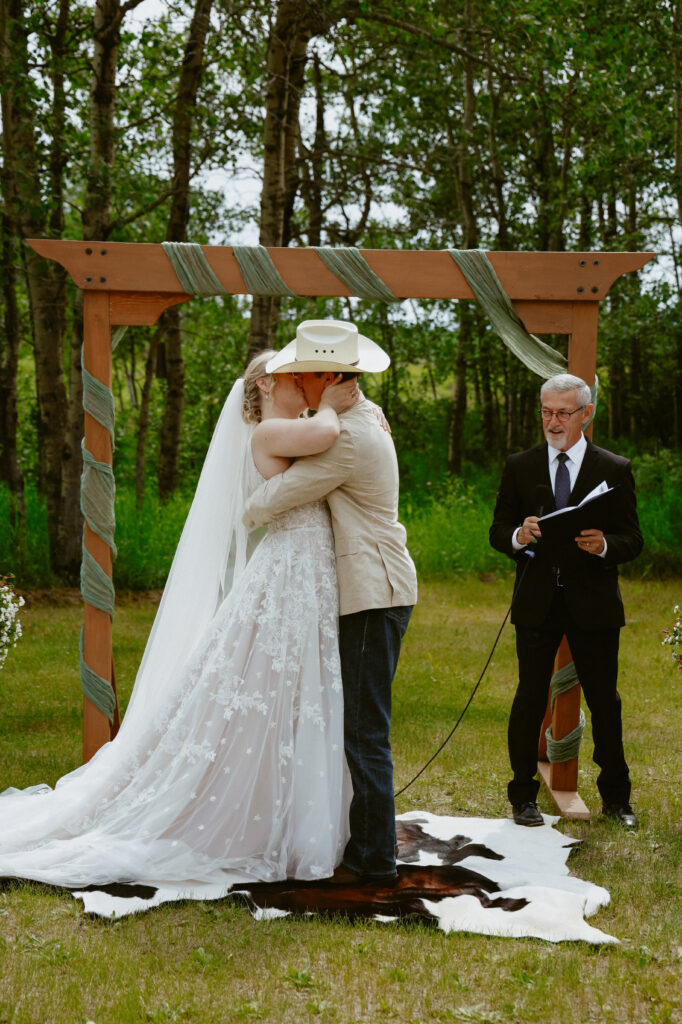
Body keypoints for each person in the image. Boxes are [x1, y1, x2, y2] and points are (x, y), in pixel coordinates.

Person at [0, 348, 361, 893]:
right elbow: (329, 432)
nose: (303, 381)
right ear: (265, 385)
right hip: (290, 570)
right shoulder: (272, 432)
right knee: (264, 690)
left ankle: (282, 809)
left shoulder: (292, 429)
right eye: (291, 375)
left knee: (290, 693)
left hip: (307, 572)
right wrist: (337, 401)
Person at [243, 319, 418, 883]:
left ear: (328, 376)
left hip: (373, 590)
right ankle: (366, 842)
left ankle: (375, 859)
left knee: (365, 730)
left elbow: (279, 497)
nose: (295, 380)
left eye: (302, 373)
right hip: (375, 585)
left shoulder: (349, 436)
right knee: (362, 725)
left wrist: (243, 510)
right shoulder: (360, 417)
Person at [489, 373, 642, 829]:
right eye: (546, 412)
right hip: (537, 601)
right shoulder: (520, 465)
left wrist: (605, 545)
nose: (553, 422)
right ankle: (523, 797)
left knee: (605, 702)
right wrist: (519, 536)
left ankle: (617, 799)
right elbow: (498, 531)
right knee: (529, 698)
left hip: (594, 603)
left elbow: (633, 538)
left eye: (563, 413)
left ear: (586, 414)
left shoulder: (614, 468)